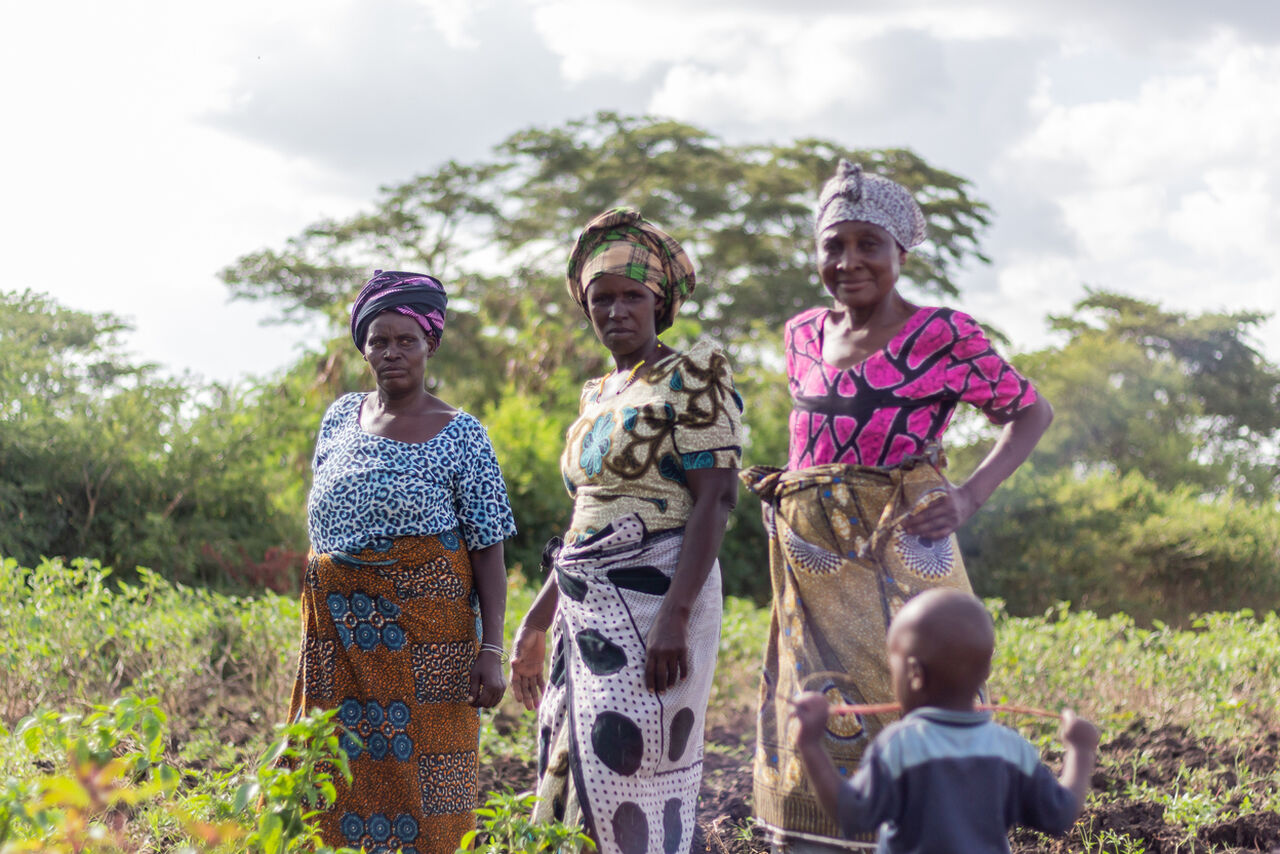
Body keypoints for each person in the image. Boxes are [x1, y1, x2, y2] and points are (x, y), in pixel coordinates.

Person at [742, 160, 1055, 852]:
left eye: (868, 244)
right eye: (834, 245)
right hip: (811, 564)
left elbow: (1031, 413)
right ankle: (818, 835)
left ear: (901, 253)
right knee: (817, 700)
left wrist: (968, 496)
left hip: (901, 555)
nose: (848, 261)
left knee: (923, 688)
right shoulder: (801, 333)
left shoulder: (943, 334)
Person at [507, 208, 743, 854]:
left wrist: (675, 616)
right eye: (601, 298)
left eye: (631, 296)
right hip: (584, 605)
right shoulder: (597, 394)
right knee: (572, 758)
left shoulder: (694, 377)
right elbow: (586, 520)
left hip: (656, 596)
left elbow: (716, 501)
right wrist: (536, 619)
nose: (615, 311)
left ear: (658, 302)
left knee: (630, 761)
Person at [289, 270, 516, 854]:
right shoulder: (340, 418)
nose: (391, 352)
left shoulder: (462, 434)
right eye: (379, 341)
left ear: (429, 345)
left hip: (428, 646)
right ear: (363, 349)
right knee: (329, 776)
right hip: (337, 644)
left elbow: (489, 547)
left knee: (427, 790)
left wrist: (491, 649)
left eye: (405, 340)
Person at [791, 588, 1099, 853]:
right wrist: (1081, 750)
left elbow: (850, 813)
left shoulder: (900, 746)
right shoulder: (1012, 750)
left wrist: (810, 743)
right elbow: (1060, 815)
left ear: (915, 674)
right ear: (986, 670)